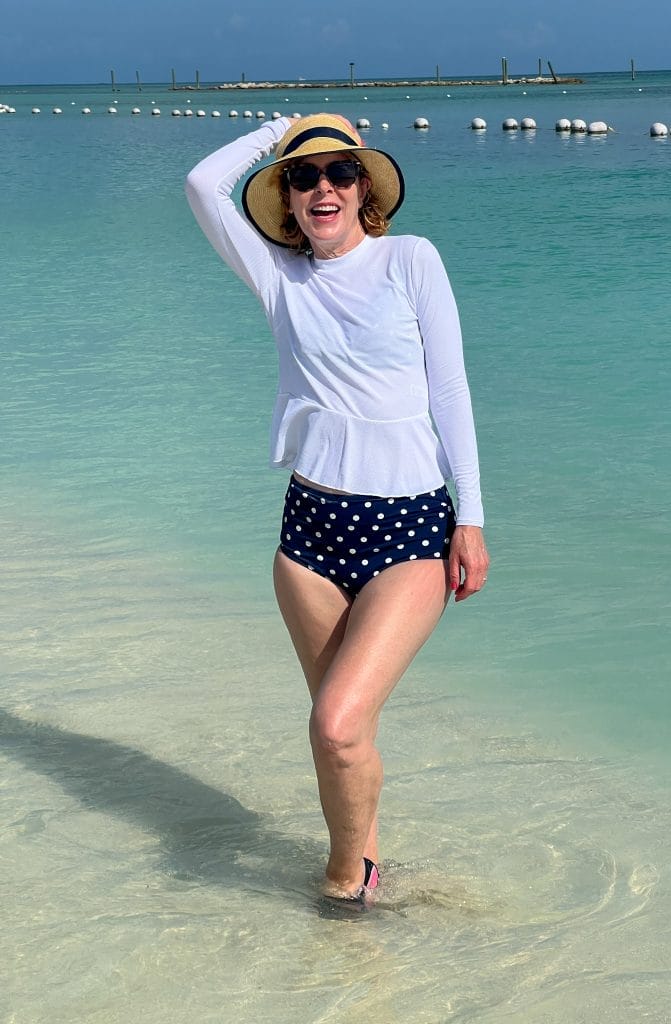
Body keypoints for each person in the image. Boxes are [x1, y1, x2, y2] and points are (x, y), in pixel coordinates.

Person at [185, 113, 489, 908]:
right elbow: (199, 185)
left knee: (335, 723)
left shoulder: (410, 260)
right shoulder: (277, 275)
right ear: (284, 197)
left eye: (340, 173)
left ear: (365, 191)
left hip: (411, 527)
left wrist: (473, 517)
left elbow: (450, 391)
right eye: (303, 174)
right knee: (341, 731)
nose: (323, 186)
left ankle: (341, 886)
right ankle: (368, 870)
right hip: (310, 532)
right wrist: (278, 130)